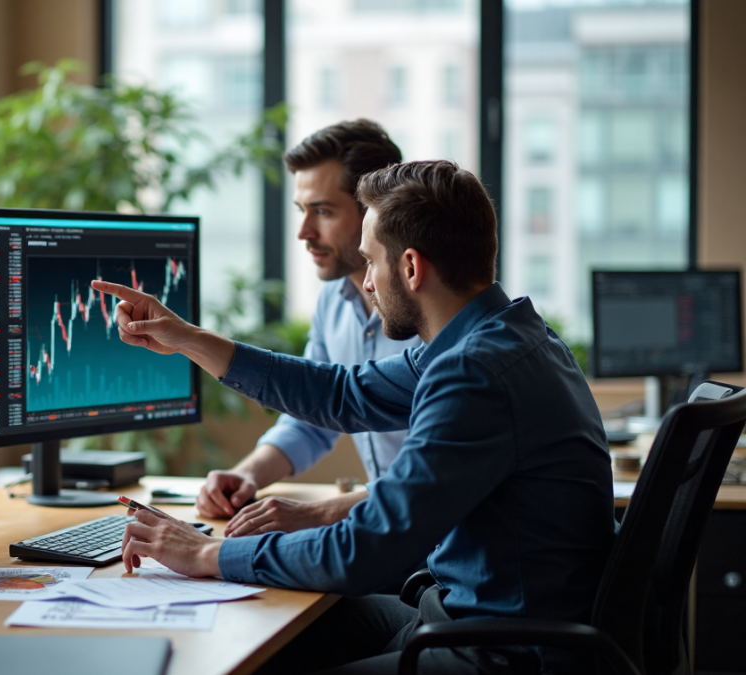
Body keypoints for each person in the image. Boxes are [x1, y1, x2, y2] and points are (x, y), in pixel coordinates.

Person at [94, 160, 614, 673]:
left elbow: (366, 549)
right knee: (272, 633)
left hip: (495, 653)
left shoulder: (476, 374)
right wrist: (188, 339)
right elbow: (341, 393)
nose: (365, 283)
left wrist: (205, 555)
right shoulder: (502, 337)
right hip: (460, 618)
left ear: (410, 268)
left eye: (371, 263)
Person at [198, 120, 423, 544]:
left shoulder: (433, 312)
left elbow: (429, 484)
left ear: (378, 211)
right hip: (387, 533)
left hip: (429, 542)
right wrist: (248, 474)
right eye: (302, 211)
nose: (303, 233)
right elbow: (313, 418)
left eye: (323, 211)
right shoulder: (331, 301)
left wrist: (314, 514)